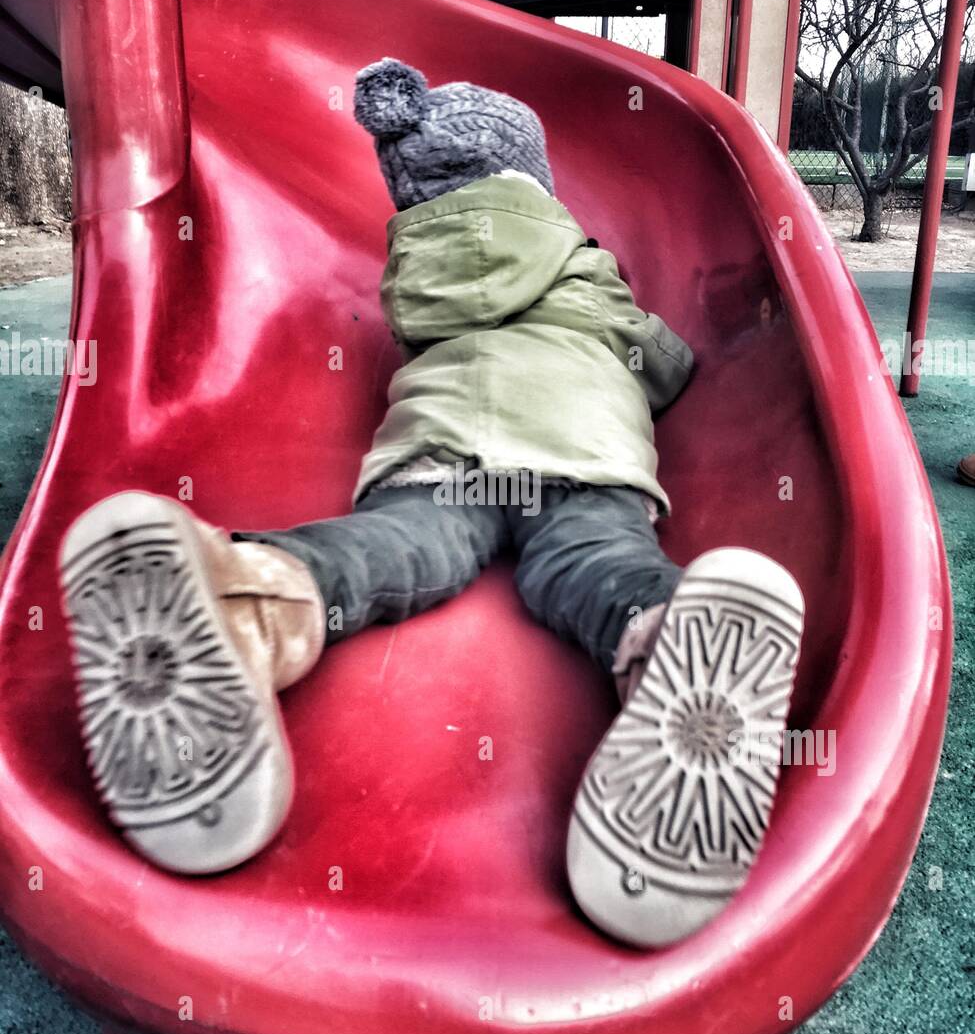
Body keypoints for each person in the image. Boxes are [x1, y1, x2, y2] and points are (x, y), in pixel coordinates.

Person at [59, 59, 804, 949]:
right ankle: (662, 635)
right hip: (582, 451)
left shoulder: (413, 279)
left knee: (387, 552)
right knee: (591, 565)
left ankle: (240, 596)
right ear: (533, 183)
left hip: (439, 454)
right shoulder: (582, 264)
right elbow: (657, 363)